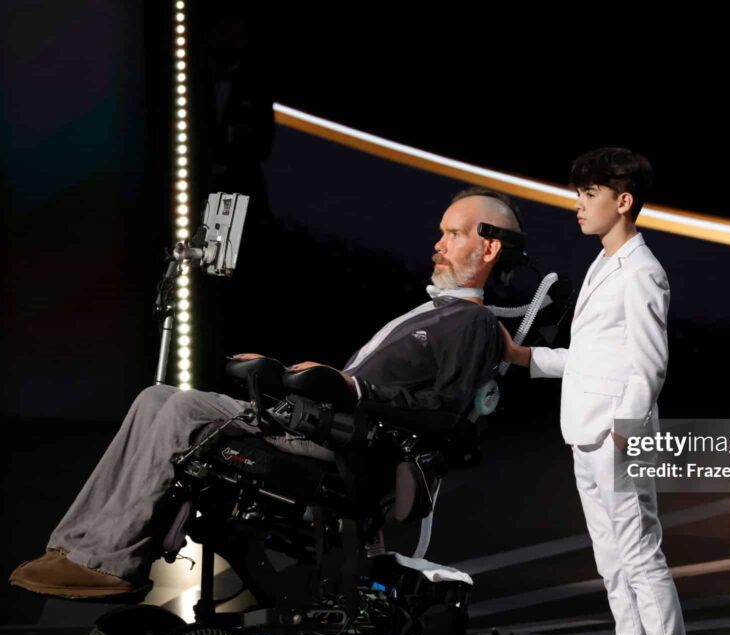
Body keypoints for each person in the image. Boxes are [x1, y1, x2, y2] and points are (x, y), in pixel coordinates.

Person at [10, 187, 521, 600]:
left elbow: (445, 415)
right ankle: (75, 548)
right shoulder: (434, 314)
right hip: (316, 421)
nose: (438, 244)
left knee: (184, 408)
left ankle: (112, 562)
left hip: (343, 445)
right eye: (442, 233)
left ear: (490, 248)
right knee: (154, 397)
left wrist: (352, 386)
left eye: (453, 234)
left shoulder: (471, 322)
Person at [504, 148, 692, 635]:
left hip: (618, 437)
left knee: (640, 560)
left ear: (623, 200)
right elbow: (593, 359)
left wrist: (623, 434)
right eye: (579, 195)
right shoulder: (602, 263)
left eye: (589, 195)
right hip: (586, 435)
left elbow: (650, 365)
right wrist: (524, 357)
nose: (578, 207)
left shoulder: (643, 271)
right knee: (612, 566)